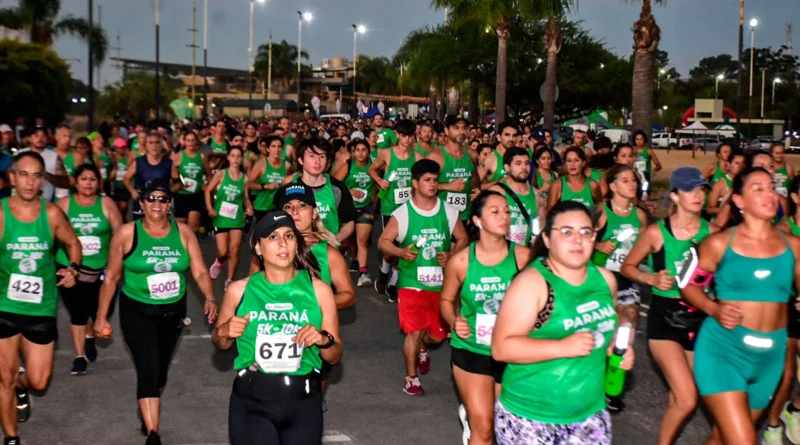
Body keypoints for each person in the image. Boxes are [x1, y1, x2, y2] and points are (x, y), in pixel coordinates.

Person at [492, 201, 633, 445]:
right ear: (547, 238)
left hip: (590, 414)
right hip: (531, 418)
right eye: (566, 232)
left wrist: (616, 346)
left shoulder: (605, 280)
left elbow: (607, 323)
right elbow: (502, 348)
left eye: (586, 232)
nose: (578, 240)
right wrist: (562, 347)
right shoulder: (532, 284)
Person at [681, 166, 800, 445]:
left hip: (771, 357)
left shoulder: (794, 246)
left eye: (772, 187)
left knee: (723, 437)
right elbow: (687, 284)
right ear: (738, 201)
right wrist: (713, 309)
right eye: (757, 189)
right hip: (724, 350)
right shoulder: (718, 244)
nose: (769, 194)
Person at [94, 179, 218, 445]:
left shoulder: (183, 232)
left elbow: (197, 269)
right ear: (142, 203)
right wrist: (102, 316)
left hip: (173, 311)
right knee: (148, 368)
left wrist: (209, 297)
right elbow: (113, 277)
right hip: (137, 310)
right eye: (151, 199)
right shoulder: (127, 234)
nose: (157, 204)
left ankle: (148, 405)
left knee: (159, 371)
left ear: (170, 204)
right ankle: (153, 434)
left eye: (163, 199)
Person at [213, 210, 341, 445]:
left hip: (304, 404)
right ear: (259, 248)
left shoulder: (319, 290)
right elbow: (220, 344)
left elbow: (333, 356)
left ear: (296, 244)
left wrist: (324, 340)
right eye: (272, 237)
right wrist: (223, 332)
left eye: (289, 236)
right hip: (252, 403)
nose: (282, 243)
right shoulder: (239, 291)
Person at [621, 167, 717, 445]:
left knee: (681, 396)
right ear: (674, 196)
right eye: (690, 190)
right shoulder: (656, 232)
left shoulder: (713, 234)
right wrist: (648, 277)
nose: (698, 195)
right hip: (665, 317)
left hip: (699, 318)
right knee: (687, 398)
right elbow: (627, 266)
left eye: (701, 189)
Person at [0, 151, 82, 445]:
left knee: (38, 381)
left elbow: (73, 244)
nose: (30, 182)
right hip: (4, 306)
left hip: (41, 307)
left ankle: (23, 386)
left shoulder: (51, 214)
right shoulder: (0, 213)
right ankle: (11, 437)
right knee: (4, 379)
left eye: (36, 175)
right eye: (24, 174)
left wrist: (73, 268)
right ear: (12, 178)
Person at [440, 191, 530, 445]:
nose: (504, 216)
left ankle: (473, 414)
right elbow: (446, 300)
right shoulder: (460, 262)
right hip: (472, 350)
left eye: (507, 211)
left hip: (512, 351)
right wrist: (453, 321)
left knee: (506, 427)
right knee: (485, 430)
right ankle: (474, 419)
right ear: (478, 221)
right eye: (495, 211)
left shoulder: (524, 258)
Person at [378, 159, 468, 395]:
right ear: (415, 183)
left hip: (440, 284)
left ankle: (423, 349)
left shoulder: (448, 212)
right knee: (414, 332)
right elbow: (383, 242)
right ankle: (411, 378)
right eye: (427, 180)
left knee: (437, 336)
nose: (432, 184)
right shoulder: (403, 213)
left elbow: (463, 239)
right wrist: (401, 252)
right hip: (411, 283)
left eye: (435, 180)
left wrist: (451, 254)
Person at [55, 164, 123, 375]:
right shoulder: (64, 204)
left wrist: (120, 260)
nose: (88, 183)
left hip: (100, 268)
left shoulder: (106, 203)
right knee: (78, 310)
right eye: (84, 178)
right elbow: (51, 232)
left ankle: (90, 336)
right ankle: (79, 356)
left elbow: (120, 233)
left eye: (92, 179)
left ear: (98, 183)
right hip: (70, 267)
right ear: (75, 182)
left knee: (102, 309)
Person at [591, 164, 648, 412]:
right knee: (598, 332)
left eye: (633, 180)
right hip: (600, 279)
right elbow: (578, 239)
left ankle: (612, 386)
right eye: (625, 180)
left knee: (627, 325)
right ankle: (593, 380)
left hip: (625, 280)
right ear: (612, 186)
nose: (631, 184)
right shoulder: (600, 212)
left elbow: (647, 248)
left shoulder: (641, 216)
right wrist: (597, 246)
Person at [369, 120, 424, 301]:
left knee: (404, 246)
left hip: (408, 208)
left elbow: (421, 180)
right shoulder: (386, 153)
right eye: (404, 135)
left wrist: (416, 188)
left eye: (410, 136)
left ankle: (393, 283)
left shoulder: (417, 157)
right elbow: (372, 169)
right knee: (389, 246)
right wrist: (380, 181)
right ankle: (384, 270)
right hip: (390, 207)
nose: (407, 139)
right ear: (398, 135)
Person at [764, 174, 800, 445]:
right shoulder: (784, 232)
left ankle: (794, 410)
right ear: (795, 198)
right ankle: (772, 426)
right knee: (786, 377)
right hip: (785, 307)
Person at [284, 137, 356, 244]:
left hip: (327, 253)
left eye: (322, 156)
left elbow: (349, 221)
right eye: (312, 156)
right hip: (296, 251)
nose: (317, 162)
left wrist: (337, 238)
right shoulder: (289, 186)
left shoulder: (337, 188)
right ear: (301, 160)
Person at [206, 147, 254, 289]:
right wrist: (210, 208)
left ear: (241, 159)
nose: (235, 159)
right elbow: (208, 190)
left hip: (236, 217)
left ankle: (230, 280)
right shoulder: (221, 174)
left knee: (235, 249)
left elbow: (245, 198)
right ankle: (220, 261)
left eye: (238, 156)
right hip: (221, 216)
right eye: (233, 156)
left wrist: (249, 207)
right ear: (228, 158)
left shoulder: (244, 178)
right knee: (223, 251)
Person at [333, 139, 376, 287]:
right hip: (348, 208)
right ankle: (338, 265)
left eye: (364, 150)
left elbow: (378, 184)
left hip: (366, 207)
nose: (361, 153)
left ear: (368, 152)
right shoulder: (348, 165)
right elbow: (334, 184)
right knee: (345, 241)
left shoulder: (373, 166)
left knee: (362, 241)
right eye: (357, 150)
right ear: (353, 152)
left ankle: (363, 274)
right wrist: (350, 191)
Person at [428, 115, 479, 225]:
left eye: (464, 128)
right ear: (446, 130)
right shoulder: (436, 156)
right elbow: (420, 187)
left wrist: (477, 190)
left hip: (464, 216)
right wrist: (447, 186)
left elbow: (475, 179)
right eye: (456, 128)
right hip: (440, 216)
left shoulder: (472, 155)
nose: (461, 132)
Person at [490, 147, 545, 247]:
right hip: (500, 253)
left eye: (527, 163)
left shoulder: (538, 196)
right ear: (507, 167)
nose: (524, 167)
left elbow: (539, 230)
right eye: (518, 163)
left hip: (525, 253)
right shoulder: (496, 192)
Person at [123, 131, 173, 220]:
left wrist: (168, 192)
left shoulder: (168, 163)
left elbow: (178, 183)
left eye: (157, 142)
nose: (154, 145)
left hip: (160, 205)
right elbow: (126, 178)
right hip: (141, 206)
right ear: (146, 145)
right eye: (151, 143)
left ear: (162, 145)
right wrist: (133, 191)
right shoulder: (138, 162)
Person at [16, 126, 70, 202]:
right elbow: (11, 179)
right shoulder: (19, 154)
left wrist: (45, 174)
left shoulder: (54, 157)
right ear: (30, 138)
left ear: (47, 139)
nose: (40, 139)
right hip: (20, 203)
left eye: (43, 136)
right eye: (36, 135)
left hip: (45, 204)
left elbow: (65, 184)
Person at [171, 131, 209, 233]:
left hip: (196, 194)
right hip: (181, 195)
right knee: (181, 227)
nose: (191, 143)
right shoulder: (178, 156)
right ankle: (182, 247)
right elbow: (172, 172)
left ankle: (192, 247)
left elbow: (208, 174)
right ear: (185, 142)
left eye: (193, 140)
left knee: (193, 226)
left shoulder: (202, 157)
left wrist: (206, 185)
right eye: (188, 140)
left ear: (196, 141)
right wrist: (179, 182)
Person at [248, 135, 290, 221]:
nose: (276, 150)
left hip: (279, 206)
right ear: (268, 149)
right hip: (262, 206)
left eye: (279, 147)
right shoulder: (261, 164)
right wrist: (265, 186)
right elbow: (248, 184)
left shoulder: (287, 165)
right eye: (273, 146)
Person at [546, 146, 601, 211]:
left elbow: (601, 210)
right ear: (565, 163)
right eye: (569, 161)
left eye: (576, 160)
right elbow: (549, 213)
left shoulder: (593, 185)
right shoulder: (558, 185)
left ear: (583, 163)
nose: (572, 164)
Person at [706, 151, 745, 218]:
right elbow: (709, 210)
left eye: (743, 163)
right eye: (737, 163)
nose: (740, 166)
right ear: (728, 165)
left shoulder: (746, 182)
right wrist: (727, 210)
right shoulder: (720, 184)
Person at [479, 122, 517, 189]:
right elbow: (476, 187)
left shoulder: (519, 157)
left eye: (514, 135)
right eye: (507, 135)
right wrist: (500, 182)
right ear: (499, 137)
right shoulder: (490, 158)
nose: (511, 139)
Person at [110, 137, 132, 219]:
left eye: (124, 146)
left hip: (124, 186)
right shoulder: (112, 158)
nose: (122, 149)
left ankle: (122, 220)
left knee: (123, 207)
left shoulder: (127, 158)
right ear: (116, 148)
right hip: (115, 186)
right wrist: (115, 169)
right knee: (116, 208)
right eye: (120, 147)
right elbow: (110, 177)